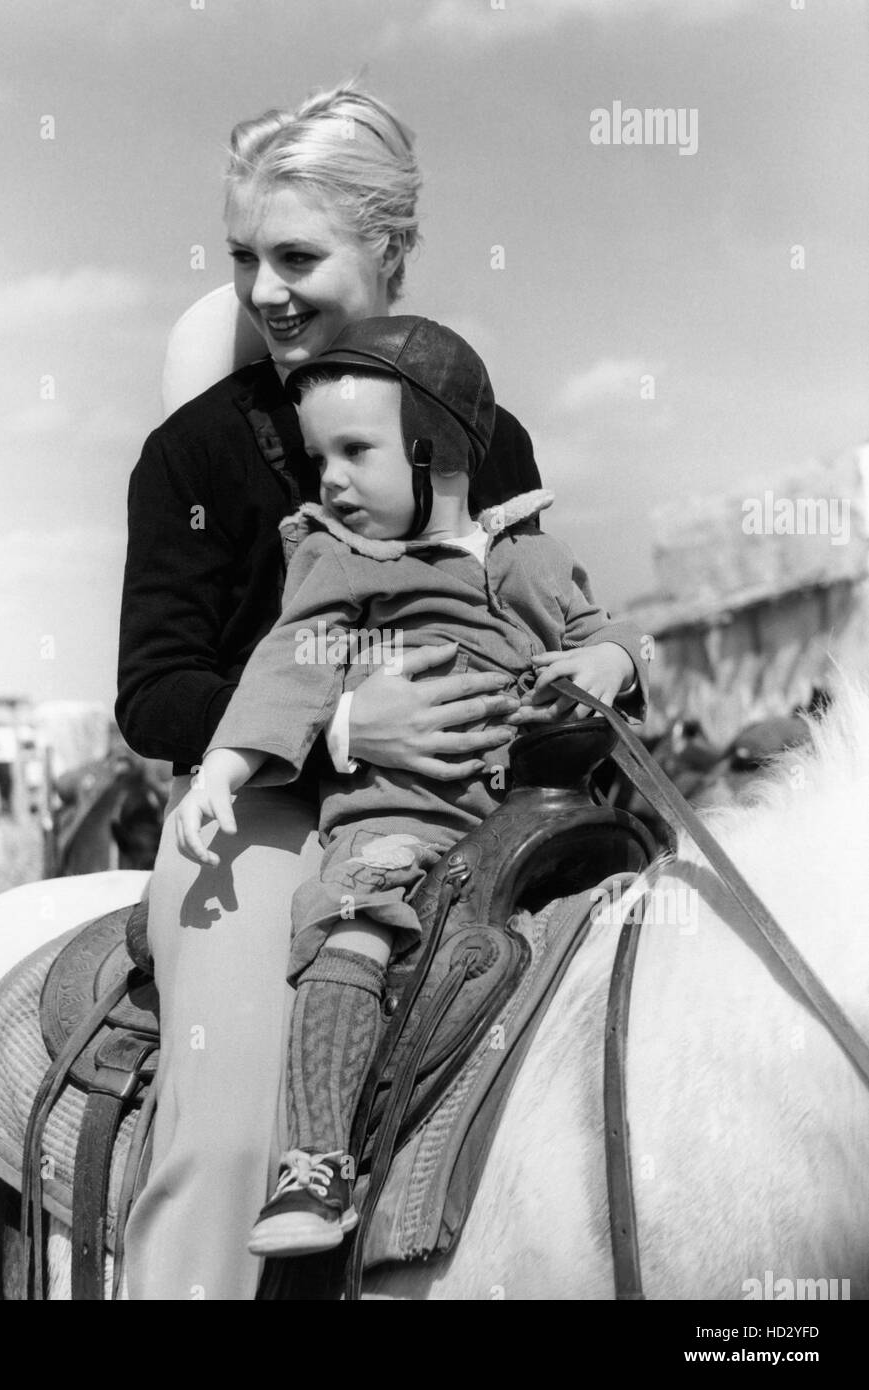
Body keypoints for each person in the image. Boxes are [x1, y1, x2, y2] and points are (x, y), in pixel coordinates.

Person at [117, 82, 550, 1300]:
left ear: (390, 248)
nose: (264, 290)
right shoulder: (196, 453)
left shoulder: (489, 436)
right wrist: (345, 723)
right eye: (244, 258)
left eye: (297, 255)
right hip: (259, 819)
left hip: (466, 804)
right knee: (236, 1129)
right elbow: (155, 692)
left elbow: (521, 607)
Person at [172, 315, 649, 1258]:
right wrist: (224, 766)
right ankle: (314, 1163)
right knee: (352, 919)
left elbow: (615, 635)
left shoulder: (534, 560)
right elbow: (287, 668)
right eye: (320, 458)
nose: (331, 479)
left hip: (535, 818)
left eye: (355, 450)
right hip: (402, 816)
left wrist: (602, 663)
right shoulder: (340, 564)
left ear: (437, 450)